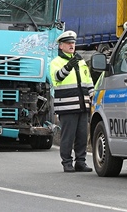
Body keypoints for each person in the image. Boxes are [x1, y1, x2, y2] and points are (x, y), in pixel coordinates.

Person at [49, 30, 94, 173]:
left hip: (82, 105)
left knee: (82, 136)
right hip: (67, 106)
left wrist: (93, 95)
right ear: (61, 46)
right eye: (68, 43)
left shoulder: (80, 61)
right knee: (68, 136)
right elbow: (57, 77)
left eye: (73, 43)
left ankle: (80, 161)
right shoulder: (56, 62)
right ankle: (67, 162)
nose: (71, 45)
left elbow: (88, 80)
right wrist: (69, 66)